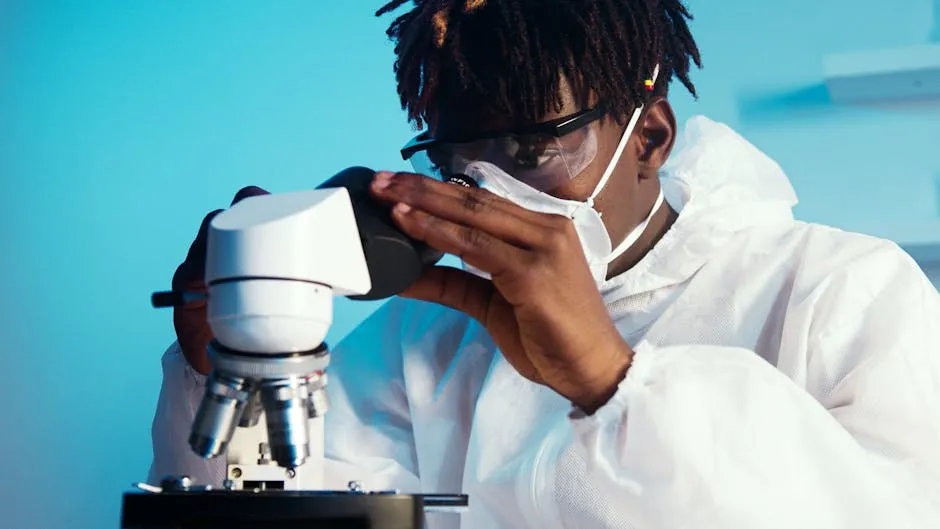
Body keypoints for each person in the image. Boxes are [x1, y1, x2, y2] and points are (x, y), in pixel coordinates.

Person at [148, 1, 940, 528]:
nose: (491, 186)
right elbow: (287, 499)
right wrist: (228, 360)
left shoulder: (843, 293)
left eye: (533, 149)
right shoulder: (421, 331)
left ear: (650, 137)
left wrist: (609, 377)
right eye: (461, 156)